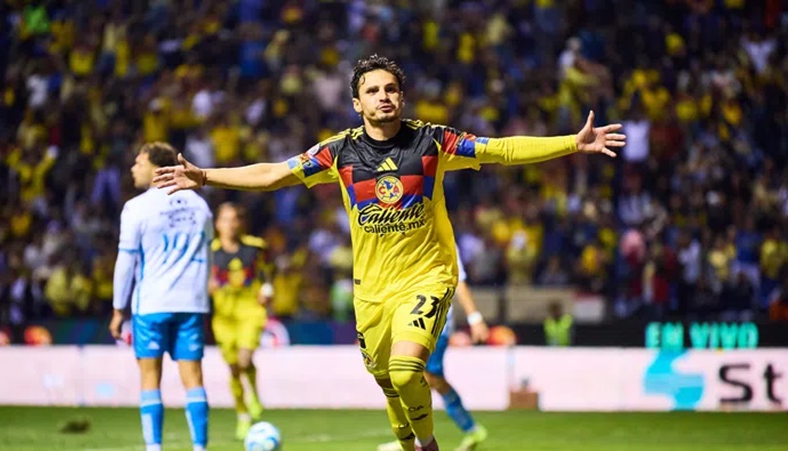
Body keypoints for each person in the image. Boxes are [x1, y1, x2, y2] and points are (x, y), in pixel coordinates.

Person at [153, 54, 625, 451]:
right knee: (388, 384)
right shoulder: (338, 153)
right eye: (373, 90)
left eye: (391, 89)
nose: (383, 96)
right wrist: (206, 176)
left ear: (402, 97)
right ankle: (409, 443)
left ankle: (429, 445)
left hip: (427, 277)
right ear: (357, 103)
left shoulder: (432, 142)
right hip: (372, 292)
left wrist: (572, 142)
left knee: (404, 371)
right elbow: (274, 173)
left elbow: (501, 149)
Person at [109, 142, 214, 451]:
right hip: (191, 303)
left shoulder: (137, 207)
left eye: (139, 163)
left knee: (149, 377)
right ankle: (200, 447)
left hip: (152, 304)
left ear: (157, 169)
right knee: (193, 377)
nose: (133, 168)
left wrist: (118, 309)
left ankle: (154, 447)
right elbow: (207, 254)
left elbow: (126, 261)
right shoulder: (200, 206)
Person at [378, 244, 489, 451]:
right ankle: (417, 436)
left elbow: (459, 282)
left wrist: (474, 318)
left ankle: (422, 436)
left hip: (435, 322)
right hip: (409, 320)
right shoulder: (406, 238)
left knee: (423, 377)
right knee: (421, 378)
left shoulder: (443, 240)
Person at [210, 202, 273, 439]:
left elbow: (268, 272)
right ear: (217, 224)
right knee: (234, 368)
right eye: (225, 220)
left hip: (250, 311)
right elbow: (202, 278)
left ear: (241, 222)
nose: (230, 224)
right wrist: (207, 286)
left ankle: (254, 393)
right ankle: (242, 414)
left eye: (234, 219)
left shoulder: (256, 247)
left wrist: (267, 290)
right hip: (224, 317)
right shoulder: (210, 251)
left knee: (244, 359)